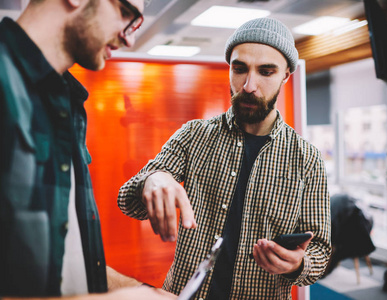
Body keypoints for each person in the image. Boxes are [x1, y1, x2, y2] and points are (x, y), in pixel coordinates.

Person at [0, 0, 175, 299]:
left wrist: (141, 292)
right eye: (126, 13)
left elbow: (66, 261)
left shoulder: (67, 102)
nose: (130, 38)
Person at [118, 17, 331, 299]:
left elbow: (321, 252)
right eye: (240, 69)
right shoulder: (194, 135)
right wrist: (153, 179)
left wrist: (299, 264)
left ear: (286, 76)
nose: (249, 85)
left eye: (266, 72)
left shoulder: (308, 159)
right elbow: (128, 202)